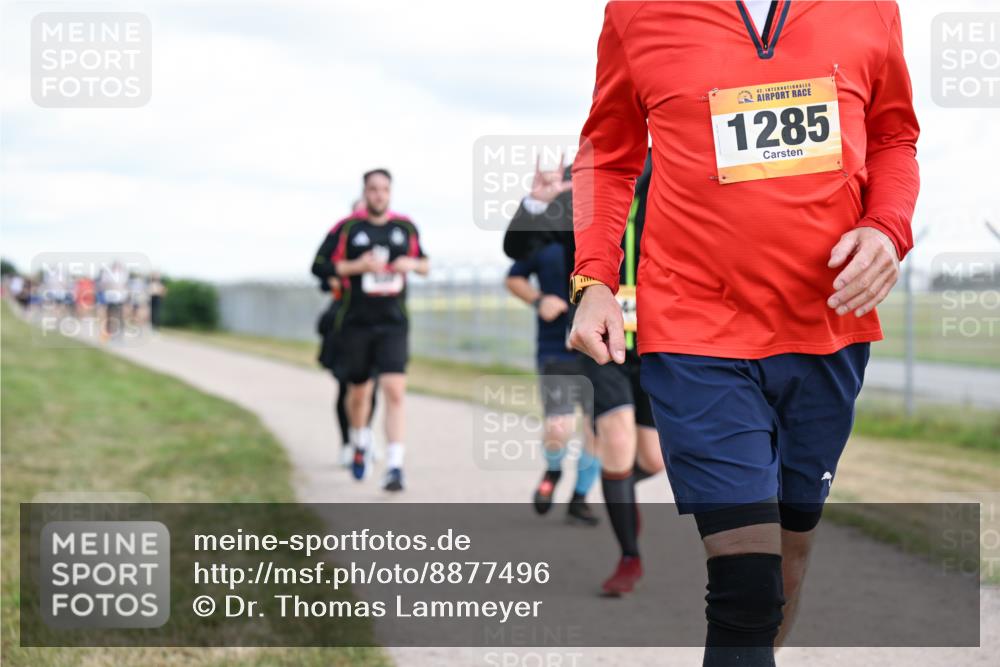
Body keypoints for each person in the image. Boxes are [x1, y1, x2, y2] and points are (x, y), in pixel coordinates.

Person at [569, 2, 919, 664]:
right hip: (697, 331)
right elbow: (606, 154)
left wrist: (887, 227)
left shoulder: (871, 8)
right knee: (746, 586)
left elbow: (895, 136)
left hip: (827, 328)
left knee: (786, 564)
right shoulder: (637, 12)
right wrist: (593, 280)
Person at [504, 152, 665, 595]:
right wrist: (538, 204)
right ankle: (629, 558)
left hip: (655, 343)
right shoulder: (586, 186)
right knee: (615, 440)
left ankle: (616, 490)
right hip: (600, 344)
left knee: (652, 459)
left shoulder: (669, 164)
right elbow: (517, 251)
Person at [311, 169, 429, 492]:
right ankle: (360, 440)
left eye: (384, 189)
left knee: (394, 391)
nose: (379, 195)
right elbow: (318, 266)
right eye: (373, 189)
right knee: (359, 392)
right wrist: (356, 267)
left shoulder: (404, 227)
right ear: (365, 193)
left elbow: (425, 263)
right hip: (356, 322)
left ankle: (394, 466)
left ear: (391, 192)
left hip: (393, 322)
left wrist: (412, 265)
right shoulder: (347, 229)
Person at [506, 240, 601, 527]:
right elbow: (514, 277)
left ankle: (579, 499)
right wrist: (538, 300)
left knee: (596, 430)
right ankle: (553, 470)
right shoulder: (544, 238)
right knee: (559, 427)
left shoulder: (605, 233)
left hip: (598, 350)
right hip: (555, 350)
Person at [316, 200, 379, 467]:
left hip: (375, 322)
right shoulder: (341, 241)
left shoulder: (383, 242)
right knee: (346, 387)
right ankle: (346, 441)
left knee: (371, 389)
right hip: (346, 322)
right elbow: (322, 272)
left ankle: (362, 439)